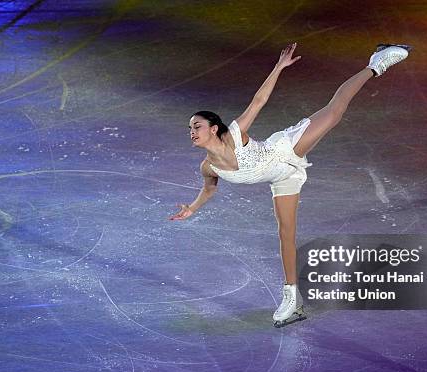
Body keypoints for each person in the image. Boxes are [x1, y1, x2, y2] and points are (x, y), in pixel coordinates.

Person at [169, 43, 411, 327]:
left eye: (196, 126)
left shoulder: (234, 135)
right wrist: (192, 208)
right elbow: (210, 188)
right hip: (282, 177)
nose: (191, 132)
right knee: (286, 234)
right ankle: (292, 298)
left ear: (213, 128)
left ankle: (375, 63)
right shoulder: (208, 167)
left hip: (286, 150)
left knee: (333, 114)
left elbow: (258, 101)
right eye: (189, 129)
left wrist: (279, 67)